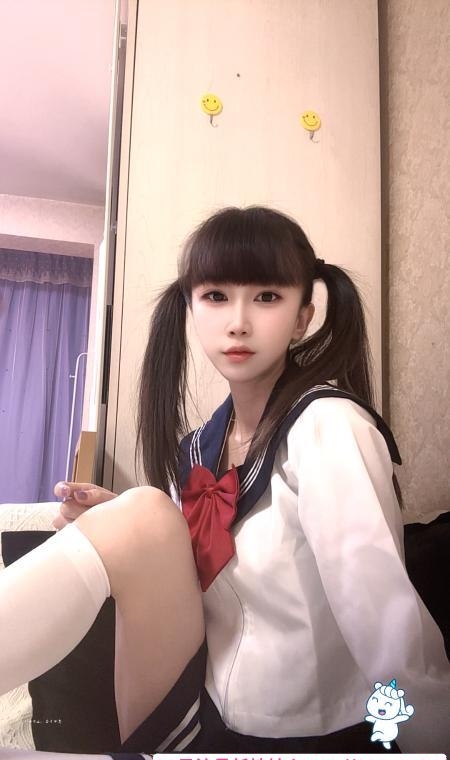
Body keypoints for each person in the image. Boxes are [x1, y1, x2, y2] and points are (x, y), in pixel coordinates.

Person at [1, 206, 449, 758]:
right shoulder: (202, 445)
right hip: (206, 708)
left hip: (305, 736)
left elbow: (387, 627)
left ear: (303, 317)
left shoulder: (329, 427)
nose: (238, 321)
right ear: (191, 308)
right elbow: (196, 566)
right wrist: (125, 530)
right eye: (215, 296)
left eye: (267, 297)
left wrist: (428, 744)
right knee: (143, 511)